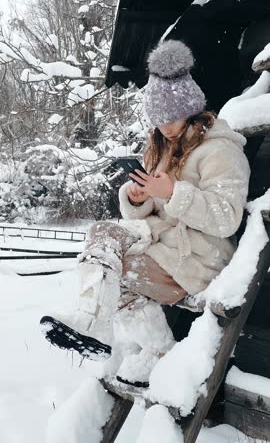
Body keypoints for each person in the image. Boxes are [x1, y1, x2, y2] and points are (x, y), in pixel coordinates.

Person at [40, 40, 250, 387]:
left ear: (191, 109)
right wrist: (140, 198)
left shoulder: (221, 152)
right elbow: (157, 209)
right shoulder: (164, 148)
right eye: (158, 118)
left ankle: (92, 321)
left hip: (201, 261)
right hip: (167, 250)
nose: (165, 125)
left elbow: (227, 218)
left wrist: (172, 193)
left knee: (109, 248)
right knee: (108, 257)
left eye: (171, 116)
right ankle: (158, 353)